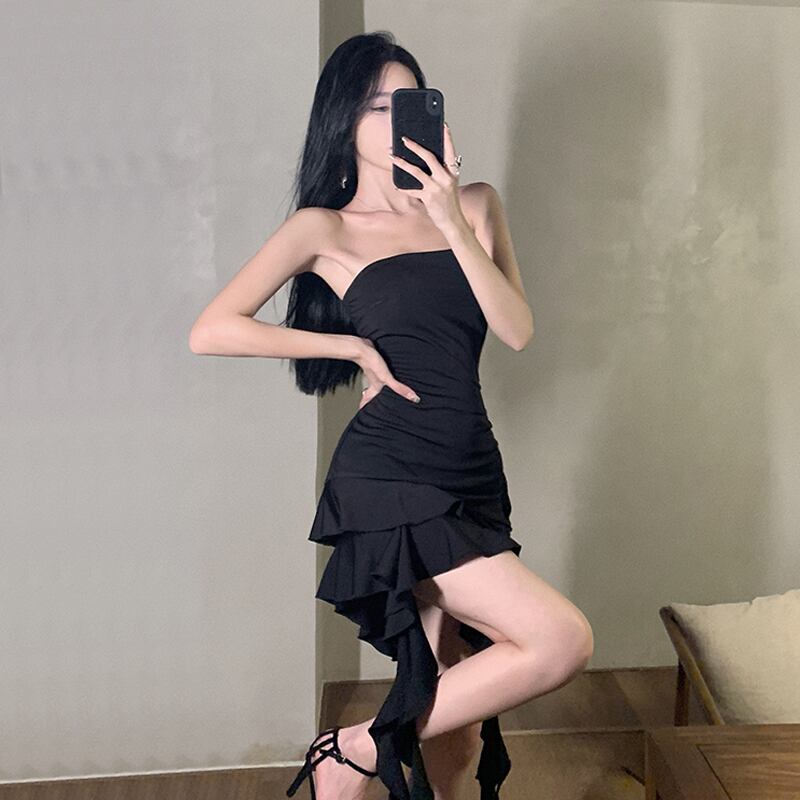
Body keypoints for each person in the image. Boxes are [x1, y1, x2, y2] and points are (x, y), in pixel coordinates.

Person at [189, 31, 593, 800]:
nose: (394, 116)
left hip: (471, 471)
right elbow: (211, 329)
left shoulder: (476, 205)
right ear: (343, 121)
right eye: (376, 105)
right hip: (390, 475)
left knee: (457, 727)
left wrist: (448, 220)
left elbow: (516, 330)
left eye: (406, 101)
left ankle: (348, 770)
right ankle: (352, 748)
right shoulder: (326, 229)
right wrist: (348, 344)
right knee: (560, 640)